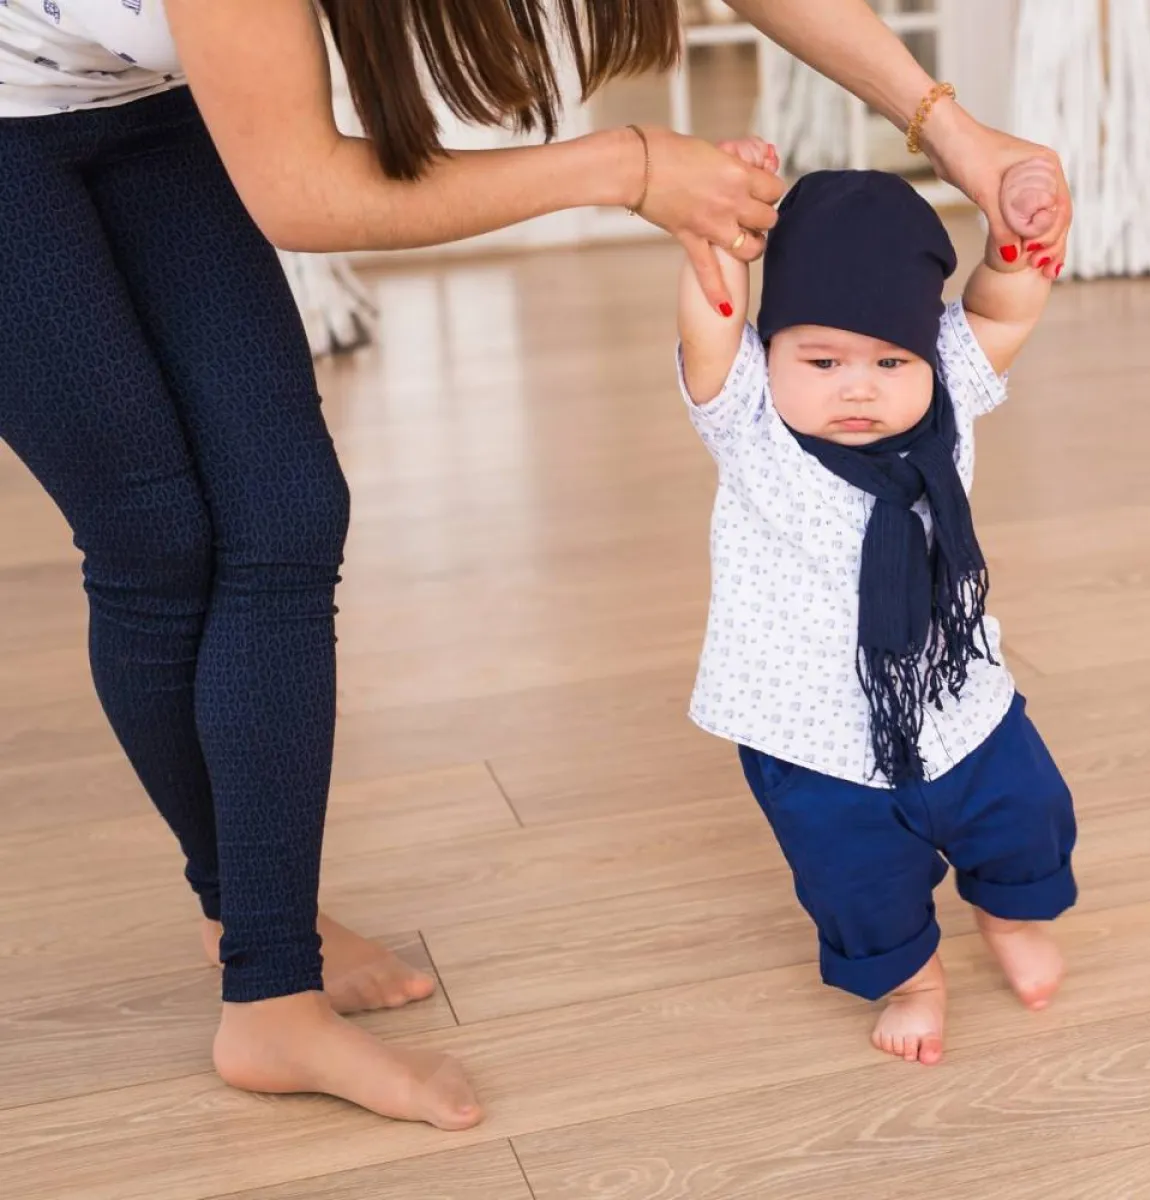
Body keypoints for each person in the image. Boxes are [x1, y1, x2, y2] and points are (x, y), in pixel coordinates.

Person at [0, 0, 1072, 1127]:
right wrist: (628, 164)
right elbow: (302, 193)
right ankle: (266, 980)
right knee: (155, 540)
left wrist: (948, 127)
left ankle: (260, 935)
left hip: (143, 101)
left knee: (285, 517)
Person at [676, 143, 1074, 1067]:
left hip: (961, 705)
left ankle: (1008, 918)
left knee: (1027, 816)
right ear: (769, 350)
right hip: (812, 739)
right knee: (858, 879)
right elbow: (713, 313)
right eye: (822, 359)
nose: (858, 386)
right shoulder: (745, 417)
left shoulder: (947, 398)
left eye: (892, 359)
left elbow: (1005, 305)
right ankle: (913, 978)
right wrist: (724, 227)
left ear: (929, 355)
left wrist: (1020, 239)